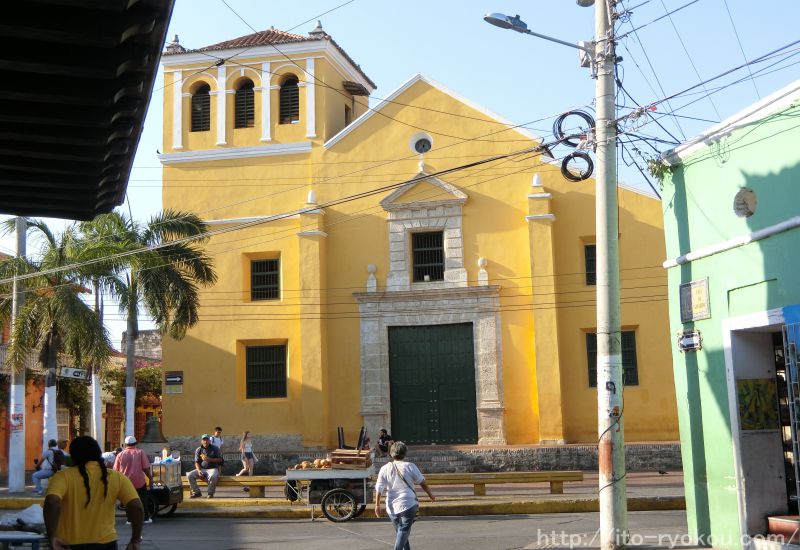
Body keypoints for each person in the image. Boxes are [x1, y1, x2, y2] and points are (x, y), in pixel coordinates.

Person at [43, 435, 144, 550]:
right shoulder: (117, 477)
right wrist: (135, 540)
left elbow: (51, 502)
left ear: (74, 456)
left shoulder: (62, 477)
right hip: (106, 544)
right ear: (98, 454)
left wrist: (52, 536)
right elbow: (137, 507)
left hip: (69, 544)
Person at [374, 441, 435, 550]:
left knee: (400, 531)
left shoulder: (384, 468)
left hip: (391, 506)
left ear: (391, 453)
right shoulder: (410, 466)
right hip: (408, 504)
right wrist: (430, 495)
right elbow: (422, 483)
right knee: (403, 531)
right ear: (404, 453)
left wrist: (377, 505)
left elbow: (379, 488)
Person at [114, 436, 154, 524]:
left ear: (125, 444)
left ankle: (129, 519)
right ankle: (145, 518)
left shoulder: (120, 455)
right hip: (139, 481)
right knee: (143, 499)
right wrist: (150, 478)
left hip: (125, 482)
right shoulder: (140, 452)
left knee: (128, 501)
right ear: (136, 443)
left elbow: (116, 471)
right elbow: (145, 468)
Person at [187, 434, 223, 498]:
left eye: (207, 440)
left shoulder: (215, 448)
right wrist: (199, 470)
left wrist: (209, 459)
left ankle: (210, 493)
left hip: (212, 469)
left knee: (213, 476)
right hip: (202, 469)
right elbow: (197, 462)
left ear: (209, 441)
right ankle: (197, 492)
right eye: (204, 440)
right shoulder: (199, 450)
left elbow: (220, 459)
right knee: (190, 475)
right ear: (201, 441)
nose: (205, 441)